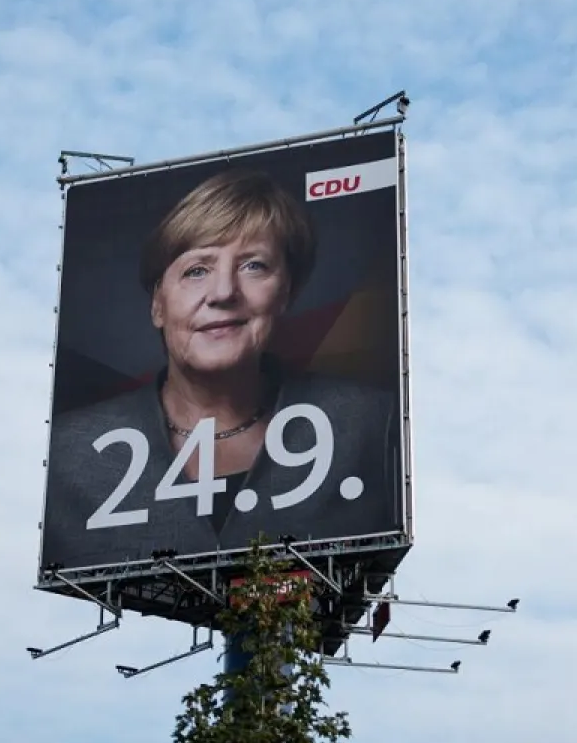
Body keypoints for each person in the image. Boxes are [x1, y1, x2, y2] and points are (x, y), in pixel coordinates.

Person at [40, 168, 400, 572]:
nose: (224, 292)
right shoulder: (72, 453)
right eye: (197, 270)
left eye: (254, 266)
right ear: (158, 304)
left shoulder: (371, 423)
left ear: (288, 292)